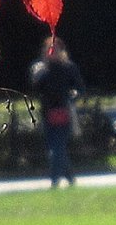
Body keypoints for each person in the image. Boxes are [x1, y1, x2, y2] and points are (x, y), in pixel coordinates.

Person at [30, 37, 84, 188]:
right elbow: (34, 88)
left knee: (57, 147)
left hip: (64, 111)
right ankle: (70, 177)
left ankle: (54, 180)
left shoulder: (68, 68)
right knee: (55, 147)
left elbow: (80, 88)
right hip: (48, 112)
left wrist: (73, 96)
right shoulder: (41, 69)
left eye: (55, 50)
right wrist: (39, 76)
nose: (52, 53)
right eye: (49, 50)